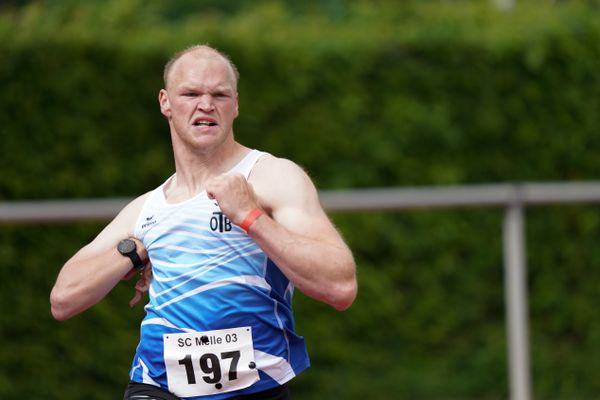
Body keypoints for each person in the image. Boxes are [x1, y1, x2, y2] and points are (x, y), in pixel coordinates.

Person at [50, 44, 357, 400]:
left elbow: (339, 286)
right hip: (158, 386)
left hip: (256, 389)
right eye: (191, 93)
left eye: (220, 94)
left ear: (236, 104)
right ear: (165, 102)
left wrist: (250, 217)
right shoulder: (149, 208)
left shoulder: (270, 177)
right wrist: (135, 250)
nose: (206, 105)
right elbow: (63, 299)